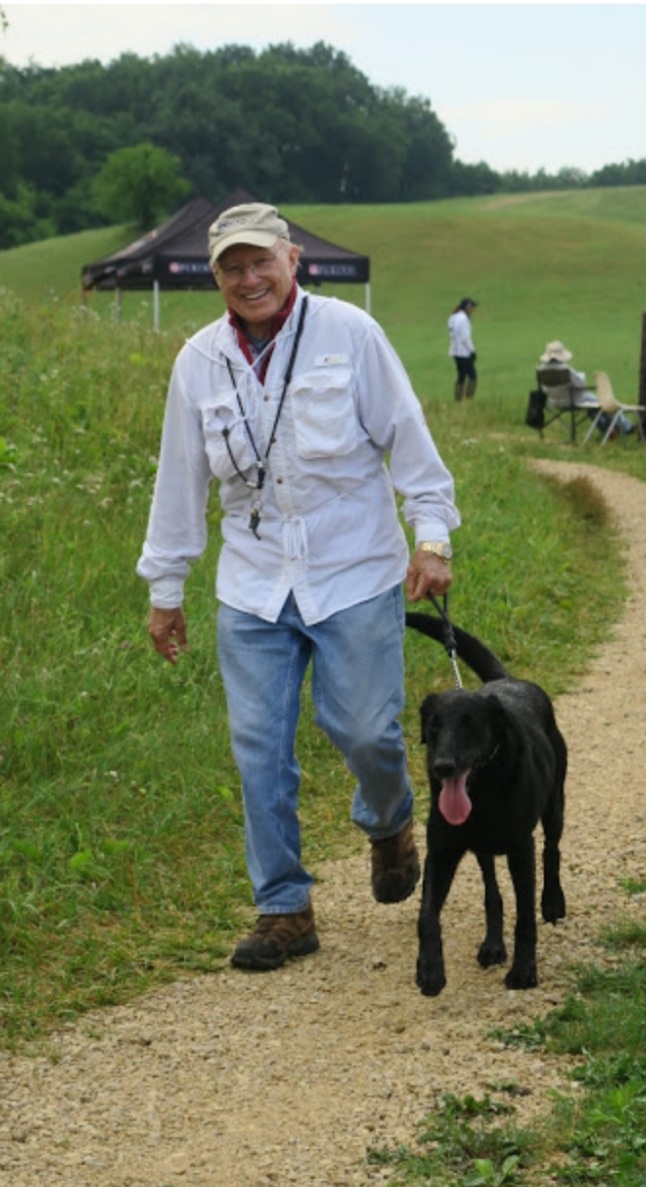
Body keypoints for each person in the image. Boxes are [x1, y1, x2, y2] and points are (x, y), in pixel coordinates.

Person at [137, 201, 460, 973]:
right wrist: (166, 585)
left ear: (292, 260)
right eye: (231, 267)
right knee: (258, 753)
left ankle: (388, 822)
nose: (249, 278)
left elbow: (408, 440)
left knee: (364, 731)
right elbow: (178, 480)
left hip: (354, 570)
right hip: (252, 586)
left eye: (260, 262)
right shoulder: (198, 361)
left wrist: (433, 536)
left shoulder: (350, 335)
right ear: (214, 276)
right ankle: (284, 906)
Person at [538, 341, 634, 437]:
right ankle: (626, 427)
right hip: (574, 400)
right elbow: (580, 384)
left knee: (593, 408)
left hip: (553, 402)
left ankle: (609, 432)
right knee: (601, 403)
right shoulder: (565, 369)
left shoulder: (541, 370)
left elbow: (544, 389)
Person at [448, 297, 478, 401]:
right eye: (472, 308)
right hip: (464, 353)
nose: (473, 310)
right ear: (467, 307)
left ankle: (458, 399)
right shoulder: (464, 319)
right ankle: (468, 399)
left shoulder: (453, 317)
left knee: (461, 376)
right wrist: (472, 351)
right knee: (473, 376)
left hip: (455, 351)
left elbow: (452, 332)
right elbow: (465, 338)